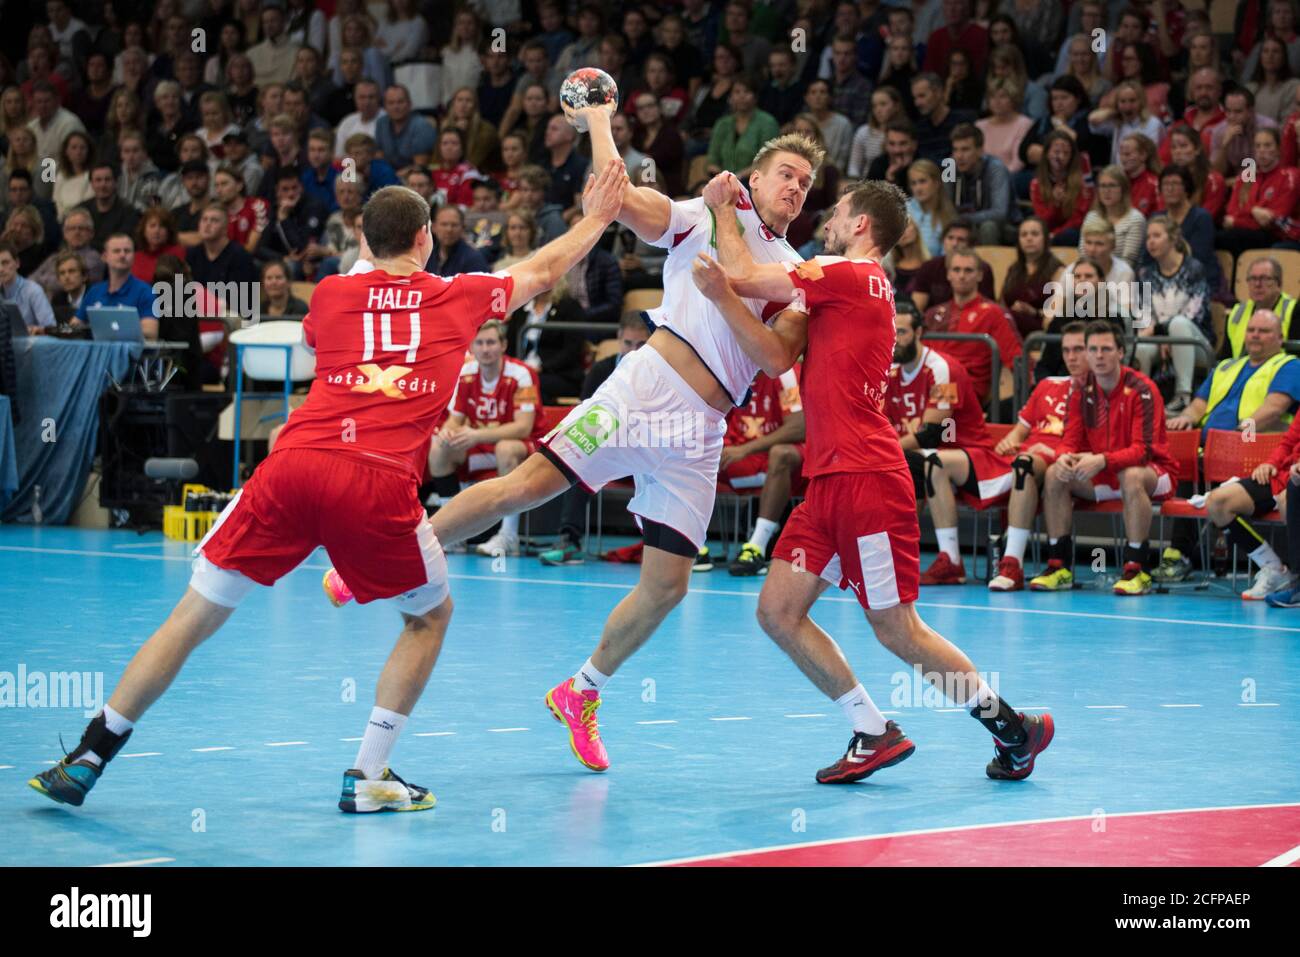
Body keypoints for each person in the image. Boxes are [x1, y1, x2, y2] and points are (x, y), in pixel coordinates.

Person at [28, 163, 628, 812]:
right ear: (426, 237)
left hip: (294, 466)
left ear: (363, 242)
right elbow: (540, 271)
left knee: (193, 614)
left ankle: (91, 749)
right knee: (428, 616)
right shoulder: (461, 294)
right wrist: (598, 215)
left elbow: (339, 322)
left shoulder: (332, 294)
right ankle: (370, 772)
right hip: (376, 480)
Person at [325, 115, 827, 771]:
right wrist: (597, 119)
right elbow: (615, 197)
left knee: (668, 585)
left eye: (806, 182)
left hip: (702, 430)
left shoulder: (796, 270)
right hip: (642, 390)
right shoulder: (694, 216)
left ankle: (580, 691)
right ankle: (379, 558)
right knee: (526, 487)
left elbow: (771, 358)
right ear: (752, 177)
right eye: (786, 174)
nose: (796, 187)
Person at [692, 174, 1053, 783]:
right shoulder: (839, 288)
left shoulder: (851, 274)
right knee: (778, 611)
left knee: (896, 628)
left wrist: (723, 210)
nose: (827, 219)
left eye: (835, 211)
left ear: (861, 223)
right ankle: (872, 730)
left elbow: (745, 276)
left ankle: (1015, 729)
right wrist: (727, 295)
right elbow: (774, 354)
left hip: (866, 476)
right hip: (827, 479)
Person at [1029, 321, 1180, 596]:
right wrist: (1063, 457)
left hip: (1154, 471)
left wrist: (1101, 460)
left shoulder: (1142, 389)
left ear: (1121, 352)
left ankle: (1136, 569)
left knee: (1131, 474)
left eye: (1106, 349)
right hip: (1107, 471)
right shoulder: (1080, 389)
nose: (1099, 356)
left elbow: (1142, 450)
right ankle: (1058, 565)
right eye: (1093, 349)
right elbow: (1070, 440)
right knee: (1054, 474)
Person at [537, 312, 651, 567]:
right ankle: (569, 541)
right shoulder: (601, 370)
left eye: (641, 345)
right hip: (608, 449)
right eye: (628, 343)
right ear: (618, 339)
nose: (634, 351)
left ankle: (677, 545)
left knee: (667, 468)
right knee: (578, 465)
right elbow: (586, 416)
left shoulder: (660, 373)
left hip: (646, 452)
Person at [427, 319, 548, 557]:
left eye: (491, 342)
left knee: (505, 448)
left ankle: (508, 536)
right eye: (479, 343)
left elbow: (523, 428)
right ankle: (452, 533)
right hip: (481, 446)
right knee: (438, 447)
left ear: (503, 345)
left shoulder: (522, 374)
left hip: (525, 448)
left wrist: (477, 434)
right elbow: (456, 418)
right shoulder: (465, 372)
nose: (485, 348)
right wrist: (448, 431)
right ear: (471, 347)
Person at [987, 322, 1091, 591]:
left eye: (1078, 349)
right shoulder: (1047, 385)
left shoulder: (1098, 393)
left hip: (1063, 464)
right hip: (1027, 459)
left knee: (1023, 466)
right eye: (1066, 350)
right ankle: (996, 561)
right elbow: (1019, 432)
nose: (1071, 357)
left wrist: (1052, 452)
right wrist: (1009, 442)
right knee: (938, 463)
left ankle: (1011, 563)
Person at [721, 365, 806, 575]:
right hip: (746, 458)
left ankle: (756, 547)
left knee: (781, 455)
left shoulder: (784, 374)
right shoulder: (730, 372)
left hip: (791, 456)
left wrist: (744, 449)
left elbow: (799, 427)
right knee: (692, 454)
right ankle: (693, 545)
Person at [921, 246, 1023, 406]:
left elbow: (1016, 358)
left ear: (980, 275)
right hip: (930, 384)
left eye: (968, 270)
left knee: (931, 398)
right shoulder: (933, 314)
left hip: (966, 388)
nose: (962, 276)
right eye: (956, 270)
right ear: (948, 274)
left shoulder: (993, 313)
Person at [76, 233, 158, 334]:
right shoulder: (94, 291)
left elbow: (150, 332)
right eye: (116, 251)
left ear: (134, 256)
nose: (122, 255)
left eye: (127, 251)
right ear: (105, 257)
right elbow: (75, 325)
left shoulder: (145, 291)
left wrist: (107, 330)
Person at [1221, 256, 1298, 360]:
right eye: (1253, 279)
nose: (1257, 284)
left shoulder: (1294, 310)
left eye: (1265, 279)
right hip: (1241, 372)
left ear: (1279, 284)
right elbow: (1227, 356)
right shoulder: (1237, 312)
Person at [0, 240, 55, 332]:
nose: (1, 269)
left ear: (17, 263)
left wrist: (35, 330)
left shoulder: (33, 290)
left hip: (30, 343)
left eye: (5, 263)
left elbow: (50, 327)